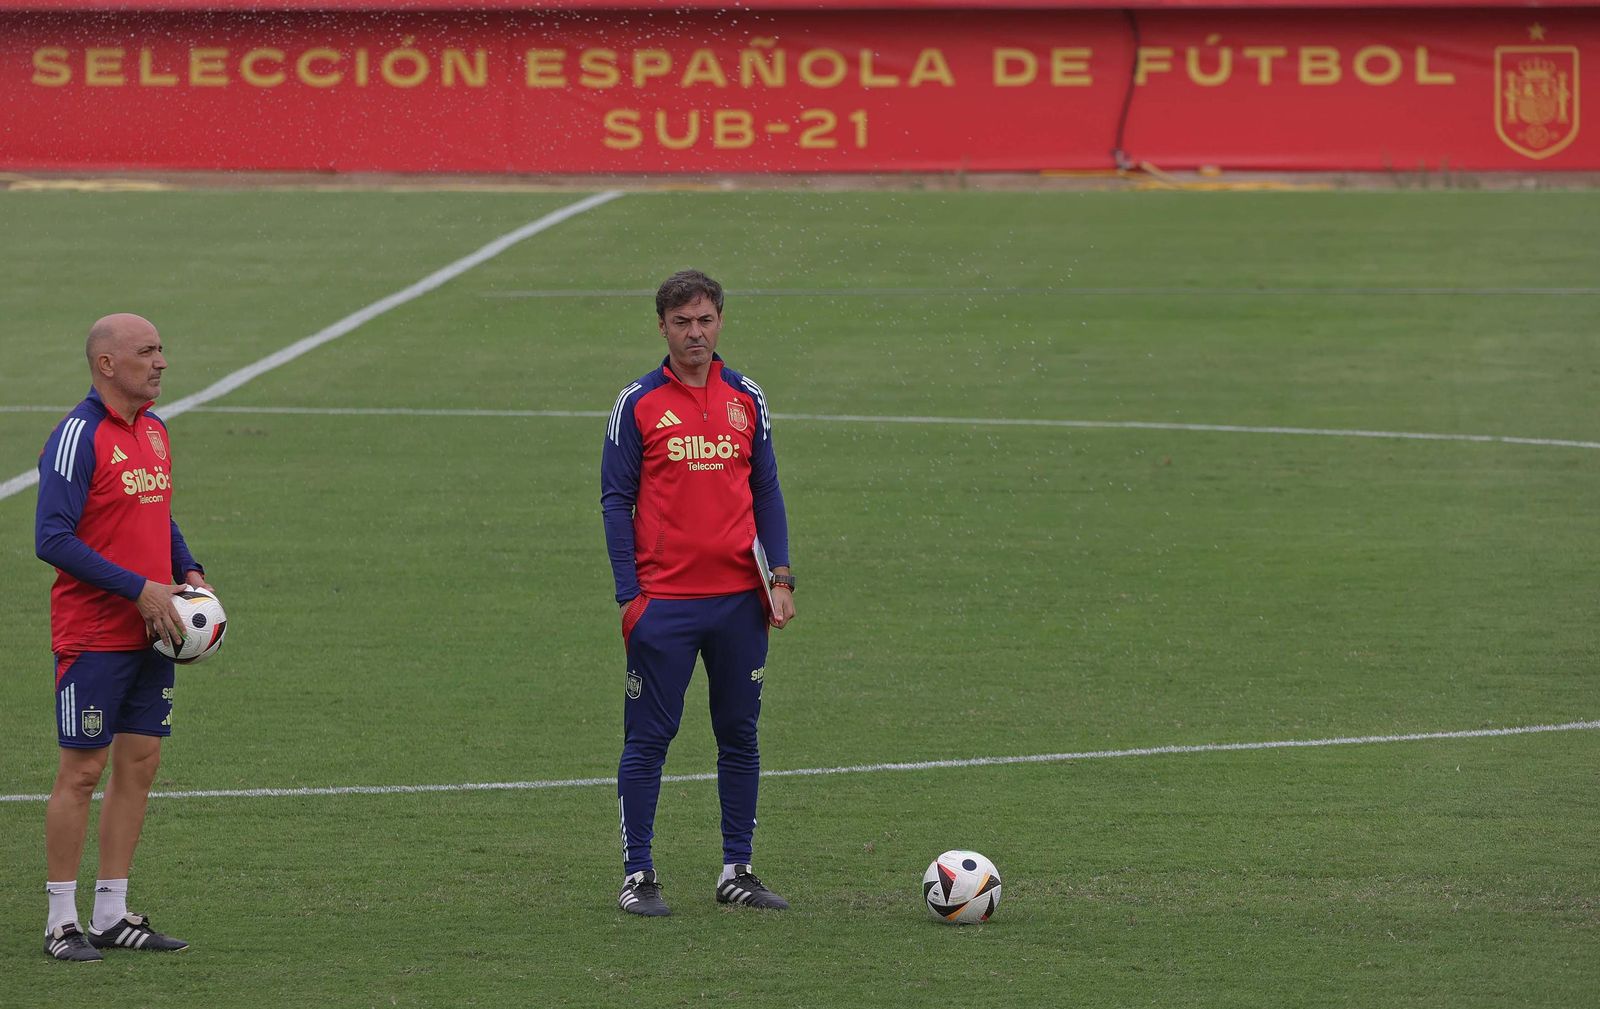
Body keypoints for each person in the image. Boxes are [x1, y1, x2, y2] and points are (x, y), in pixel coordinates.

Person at [601, 270, 797, 917]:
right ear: (662, 326)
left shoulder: (746, 397)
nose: (695, 333)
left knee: (739, 733)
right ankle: (638, 872)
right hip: (666, 606)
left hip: (740, 602)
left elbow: (765, 490)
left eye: (705, 320)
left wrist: (780, 578)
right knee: (650, 738)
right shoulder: (638, 403)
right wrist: (632, 596)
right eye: (682, 322)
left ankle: (736, 868)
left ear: (720, 321)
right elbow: (615, 498)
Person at [35, 313, 208, 961]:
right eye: (146, 351)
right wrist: (139, 588)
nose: (161, 361)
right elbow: (51, 538)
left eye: (162, 348)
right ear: (107, 364)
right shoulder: (77, 436)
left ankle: (111, 910)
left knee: (141, 762)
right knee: (81, 772)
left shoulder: (155, 432)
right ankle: (60, 920)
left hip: (153, 632)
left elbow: (156, 509)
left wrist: (187, 569)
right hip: (95, 635)